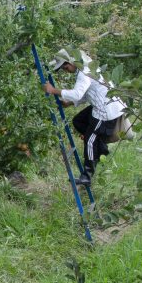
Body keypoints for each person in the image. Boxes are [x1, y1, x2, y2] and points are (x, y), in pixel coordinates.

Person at [43, 49, 126, 186]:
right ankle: (101, 147)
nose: (65, 69)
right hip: (103, 105)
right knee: (78, 121)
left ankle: (87, 176)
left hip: (105, 111)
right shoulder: (86, 68)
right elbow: (89, 93)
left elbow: (77, 94)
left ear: (72, 61)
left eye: (65, 66)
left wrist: (53, 91)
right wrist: (70, 103)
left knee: (89, 140)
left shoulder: (84, 72)